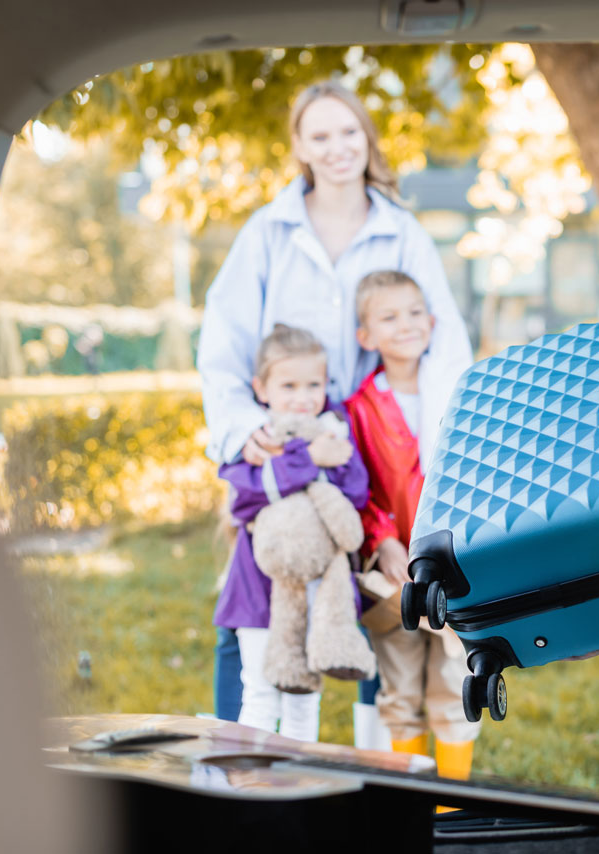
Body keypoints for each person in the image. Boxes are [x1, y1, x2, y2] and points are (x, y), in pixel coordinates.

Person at [196, 79, 472, 737]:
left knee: (376, 603)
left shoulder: (401, 232)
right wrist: (243, 431)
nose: (337, 147)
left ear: (366, 138)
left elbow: (444, 344)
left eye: (348, 131)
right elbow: (224, 345)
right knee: (257, 603)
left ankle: (373, 777)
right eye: (320, 135)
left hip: (374, 443)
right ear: (299, 146)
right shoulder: (268, 232)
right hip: (286, 444)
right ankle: (235, 756)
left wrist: (439, 460)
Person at [345, 270, 478, 779]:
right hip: (392, 571)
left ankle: (451, 805)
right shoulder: (359, 408)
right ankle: (410, 803)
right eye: (389, 316)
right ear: (365, 336)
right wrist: (382, 540)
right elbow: (359, 488)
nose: (406, 325)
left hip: (452, 562)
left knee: (452, 677)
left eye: (414, 312)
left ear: (433, 320)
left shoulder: (457, 393)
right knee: (399, 683)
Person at [212, 324, 369, 740]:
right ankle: (248, 789)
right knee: (261, 692)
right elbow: (245, 497)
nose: (302, 397)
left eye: (313, 384)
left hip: (316, 586)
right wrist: (308, 459)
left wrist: (328, 455)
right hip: (258, 588)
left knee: (303, 696)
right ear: (261, 388)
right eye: (289, 385)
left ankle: (297, 791)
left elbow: (355, 494)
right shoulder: (257, 439)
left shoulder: (333, 431)